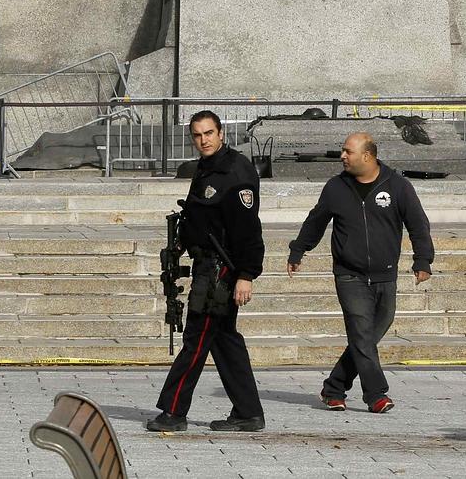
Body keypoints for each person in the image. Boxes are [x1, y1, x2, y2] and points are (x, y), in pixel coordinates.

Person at [287, 132, 433, 414]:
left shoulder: (397, 186)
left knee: (366, 336)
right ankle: (376, 395)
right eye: (343, 151)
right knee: (362, 333)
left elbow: (418, 224)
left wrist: (423, 260)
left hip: (385, 275)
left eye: (347, 152)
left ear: (367, 156)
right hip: (349, 274)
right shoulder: (335, 188)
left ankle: (334, 387)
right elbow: (315, 221)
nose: (342, 156)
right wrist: (298, 251)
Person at [147, 111, 265, 432]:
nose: (204, 140)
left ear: (222, 133)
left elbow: (248, 231)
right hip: (206, 264)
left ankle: (173, 411)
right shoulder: (205, 168)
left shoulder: (236, 171)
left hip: (223, 268)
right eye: (198, 135)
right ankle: (248, 412)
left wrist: (246, 275)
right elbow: (199, 218)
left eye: (209, 133)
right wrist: (179, 246)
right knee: (224, 339)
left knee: (196, 338)